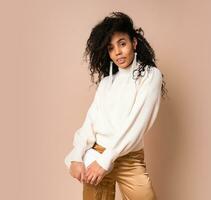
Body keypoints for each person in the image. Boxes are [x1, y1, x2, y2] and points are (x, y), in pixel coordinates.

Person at [64, 11, 167, 200]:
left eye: (122, 43)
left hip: (128, 159)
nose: (117, 52)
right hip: (97, 154)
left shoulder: (150, 76)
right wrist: (76, 156)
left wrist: (107, 160)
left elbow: (137, 124)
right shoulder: (106, 84)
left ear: (134, 43)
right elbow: (90, 124)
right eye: (111, 48)